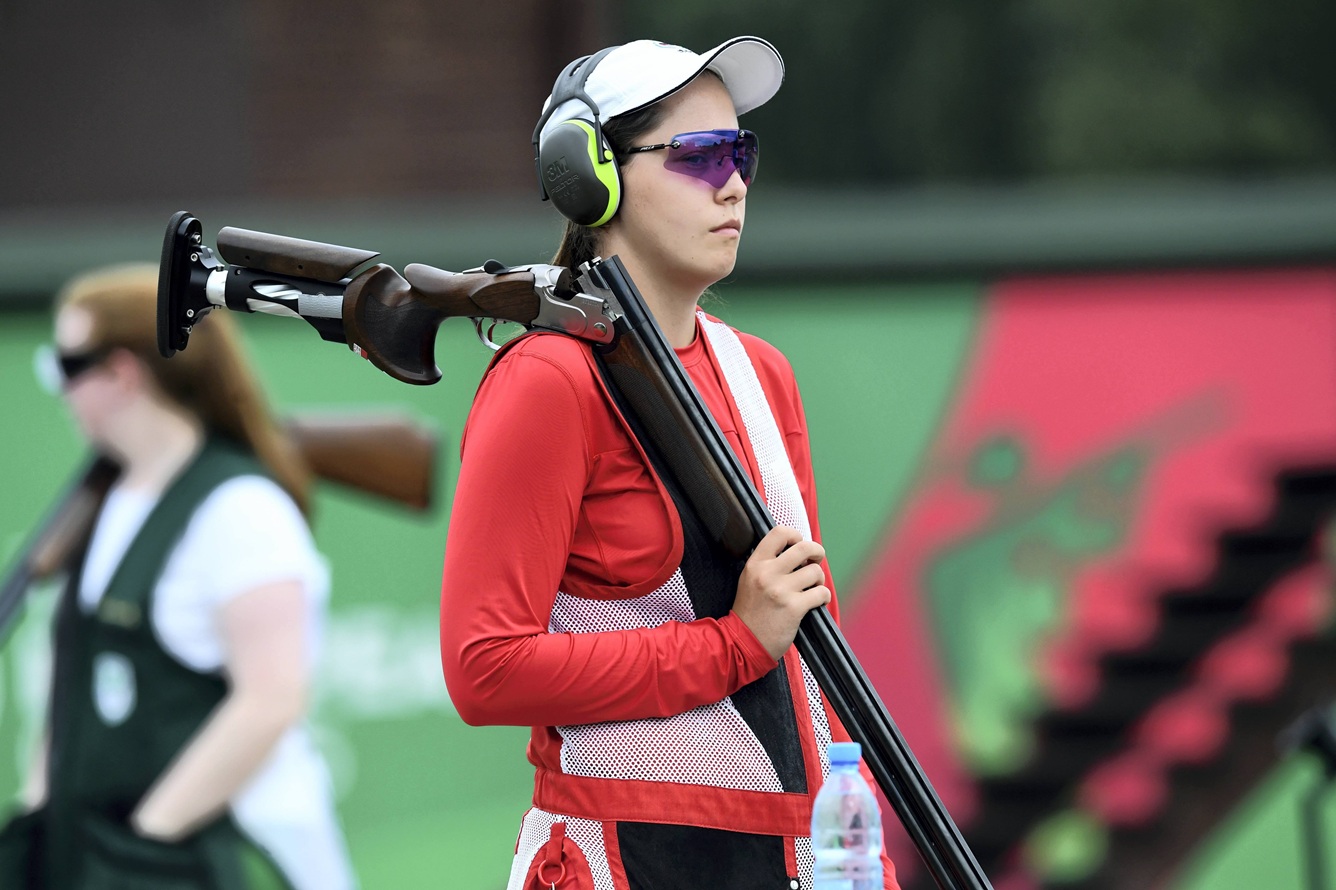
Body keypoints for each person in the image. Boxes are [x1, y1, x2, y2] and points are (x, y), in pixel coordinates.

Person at [439, 37, 901, 889]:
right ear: (589, 177)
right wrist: (731, 645)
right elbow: (485, 669)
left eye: (742, 154)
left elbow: (808, 654)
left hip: (786, 857)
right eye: (697, 157)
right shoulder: (548, 378)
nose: (732, 183)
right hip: (624, 857)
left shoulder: (762, 374)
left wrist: (857, 856)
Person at [1, 264, 356, 889]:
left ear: (122, 372)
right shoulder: (109, 497)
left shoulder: (241, 509)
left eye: (68, 365)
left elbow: (270, 701)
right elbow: (74, 685)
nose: (59, 388)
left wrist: (143, 843)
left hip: (225, 857)